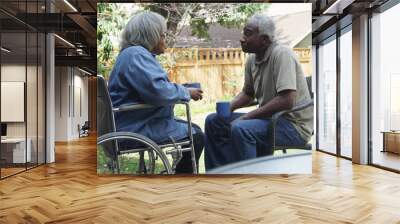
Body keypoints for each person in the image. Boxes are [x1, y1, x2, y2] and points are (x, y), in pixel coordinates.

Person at [204, 14, 313, 170]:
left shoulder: (282, 54)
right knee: (213, 121)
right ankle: (220, 174)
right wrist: (230, 107)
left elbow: (287, 100)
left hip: (293, 126)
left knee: (241, 128)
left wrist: (247, 116)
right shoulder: (251, 60)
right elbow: (248, 93)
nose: (242, 38)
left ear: (264, 40)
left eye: (248, 34)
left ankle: (249, 180)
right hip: (269, 119)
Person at [108, 11, 204, 174]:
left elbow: (153, 87)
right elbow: (159, 93)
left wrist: (182, 88)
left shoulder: (131, 54)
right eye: (162, 35)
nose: (164, 39)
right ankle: (182, 184)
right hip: (135, 127)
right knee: (196, 135)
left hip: (133, 121)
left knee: (194, 129)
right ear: (150, 35)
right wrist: (186, 92)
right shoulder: (136, 55)